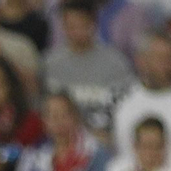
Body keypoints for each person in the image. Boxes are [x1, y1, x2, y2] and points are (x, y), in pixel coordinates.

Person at [111, 32, 171, 166]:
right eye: (160, 58)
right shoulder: (117, 95)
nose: (167, 65)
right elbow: (100, 139)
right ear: (141, 60)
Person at [44, 0, 135, 135]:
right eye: (71, 26)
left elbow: (124, 109)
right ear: (63, 26)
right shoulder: (50, 64)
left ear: (94, 23)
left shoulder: (116, 64)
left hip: (105, 138)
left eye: (82, 25)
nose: (77, 32)